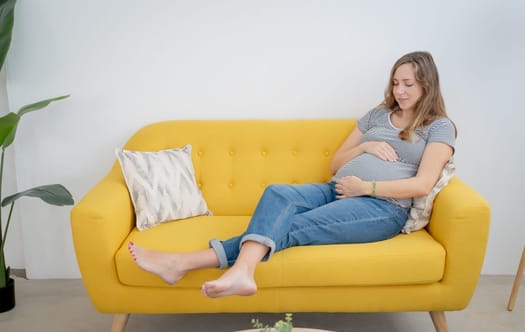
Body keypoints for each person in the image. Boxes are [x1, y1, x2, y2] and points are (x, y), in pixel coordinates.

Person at [128, 51, 456, 299]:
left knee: (293, 226)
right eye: (396, 83)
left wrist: (366, 187)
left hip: (382, 208)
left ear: (426, 84)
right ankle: (241, 270)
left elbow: (423, 183)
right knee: (277, 194)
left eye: (408, 84)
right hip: (339, 187)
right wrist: (364, 150)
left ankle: (186, 263)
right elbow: (335, 162)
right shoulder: (377, 115)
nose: (399, 90)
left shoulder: (439, 126)